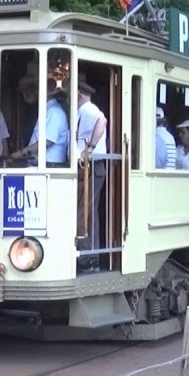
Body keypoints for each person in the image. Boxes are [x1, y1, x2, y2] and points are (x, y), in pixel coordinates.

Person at [74, 81, 108, 251]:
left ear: (78, 94)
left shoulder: (89, 110)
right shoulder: (82, 111)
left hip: (93, 166)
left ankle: (88, 255)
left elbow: (102, 121)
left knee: (85, 212)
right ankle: (90, 253)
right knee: (87, 211)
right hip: (88, 166)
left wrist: (90, 148)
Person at [9, 76, 68, 167]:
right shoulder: (47, 111)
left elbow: (47, 141)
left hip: (49, 167)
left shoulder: (54, 111)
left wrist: (20, 153)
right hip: (43, 166)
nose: (26, 95)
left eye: (30, 91)